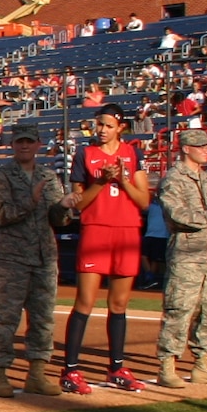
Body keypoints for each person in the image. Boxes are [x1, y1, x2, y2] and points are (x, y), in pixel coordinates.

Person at [60, 104, 152, 394]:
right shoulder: (85, 155)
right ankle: (71, 370)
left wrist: (122, 178)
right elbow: (79, 202)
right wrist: (100, 181)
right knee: (85, 302)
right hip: (96, 231)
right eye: (99, 124)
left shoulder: (133, 154)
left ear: (120, 128)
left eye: (108, 125)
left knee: (119, 305)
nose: (101, 130)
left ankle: (116, 367)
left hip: (126, 232)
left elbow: (144, 201)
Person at [155, 129, 207, 387]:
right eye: (201, 146)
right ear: (185, 148)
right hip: (186, 254)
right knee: (179, 309)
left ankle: (202, 363)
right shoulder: (173, 179)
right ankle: (167, 365)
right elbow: (178, 217)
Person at [0, 122, 63, 397]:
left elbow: (58, 220)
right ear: (13, 145)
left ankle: (37, 373)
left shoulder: (49, 176)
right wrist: (31, 200)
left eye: (29, 141)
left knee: (43, 318)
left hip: (43, 256)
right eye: (19, 142)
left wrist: (64, 208)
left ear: (39, 144)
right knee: (5, 318)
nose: (25, 146)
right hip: (10, 258)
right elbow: (1, 215)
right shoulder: (2, 176)